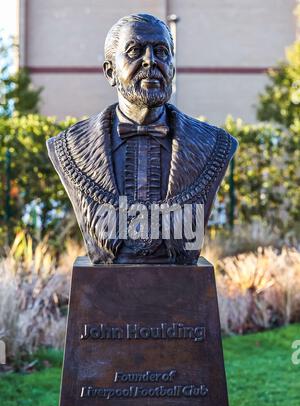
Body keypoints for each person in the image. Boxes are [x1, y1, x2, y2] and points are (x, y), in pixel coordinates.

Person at [47, 13, 238, 264]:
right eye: (134, 51)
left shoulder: (212, 145)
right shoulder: (71, 147)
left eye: (161, 51)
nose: (150, 61)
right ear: (110, 72)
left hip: (179, 289)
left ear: (172, 67)